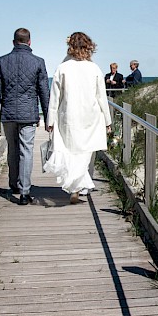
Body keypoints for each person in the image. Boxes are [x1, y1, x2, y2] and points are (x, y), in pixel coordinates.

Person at [46, 32, 112, 204]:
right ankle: (84, 187)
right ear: (89, 47)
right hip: (91, 116)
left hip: (69, 116)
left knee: (71, 151)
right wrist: (108, 120)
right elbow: (101, 97)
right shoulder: (95, 69)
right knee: (87, 151)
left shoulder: (62, 68)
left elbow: (54, 97)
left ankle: (74, 187)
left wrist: (50, 120)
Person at [0, 27, 50, 205]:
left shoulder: (1, 61)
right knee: (26, 151)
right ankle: (24, 192)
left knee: (12, 149)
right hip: (28, 114)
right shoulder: (38, 62)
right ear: (30, 42)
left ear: (14, 42)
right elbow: (44, 92)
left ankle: (14, 184)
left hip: (7, 113)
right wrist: (48, 117)